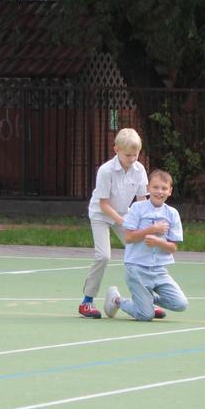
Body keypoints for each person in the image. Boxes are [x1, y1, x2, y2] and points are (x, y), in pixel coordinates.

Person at [79, 128, 148, 318]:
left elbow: (142, 201)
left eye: (136, 155)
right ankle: (87, 302)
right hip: (101, 214)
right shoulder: (106, 171)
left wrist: (142, 225)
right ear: (116, 149)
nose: (132, 159)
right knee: (103, 256)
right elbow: (103, 204)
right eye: (128, 155)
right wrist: (123, 221)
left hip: (124, 215)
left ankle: (146, 301)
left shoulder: (139, 169)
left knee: (140, 254)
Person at [103, 169, 188, 321]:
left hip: (159, 270)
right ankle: (117, 300)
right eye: (155, 187)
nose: (159, 191)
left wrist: (159, 242)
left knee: (180, 304)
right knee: (145, 315)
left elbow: (173, 247)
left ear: (170, 191)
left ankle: (146, 300)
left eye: (164, 188)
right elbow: (128, 237)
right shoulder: (137, 208)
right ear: (148, 189)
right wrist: (151, 230)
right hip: (136, 268)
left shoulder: (172, 214)